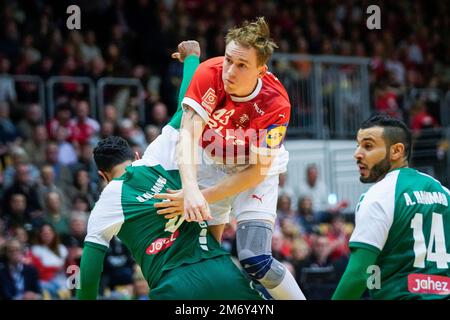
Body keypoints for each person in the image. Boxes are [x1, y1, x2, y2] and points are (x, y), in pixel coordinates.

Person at [76, 45, 263, 300]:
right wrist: (191, 58)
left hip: (175, 287)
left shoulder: (108, 200)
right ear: (136, 156)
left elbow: (89, 273)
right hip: (223, 272)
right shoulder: (159, 155)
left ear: (103, 176)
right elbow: (187, 105)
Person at [156, 17, 305, 300]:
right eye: (227, 60)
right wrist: (190, 191)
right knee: (204, 253)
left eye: (241, 65)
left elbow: (256, 173)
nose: (229, 71)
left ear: (261, 70)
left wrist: (205, 196)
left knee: (254, 258)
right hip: (210, 159)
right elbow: (187, 136)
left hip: (251, 168)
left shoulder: (276, 103)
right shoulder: (209, 73)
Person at [332, 115, 450, 300]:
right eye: (358, 145)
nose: (357, 154)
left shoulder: (379, 195)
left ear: (396, 151)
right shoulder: (444, 193)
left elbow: (358, 274)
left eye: (368, 146)